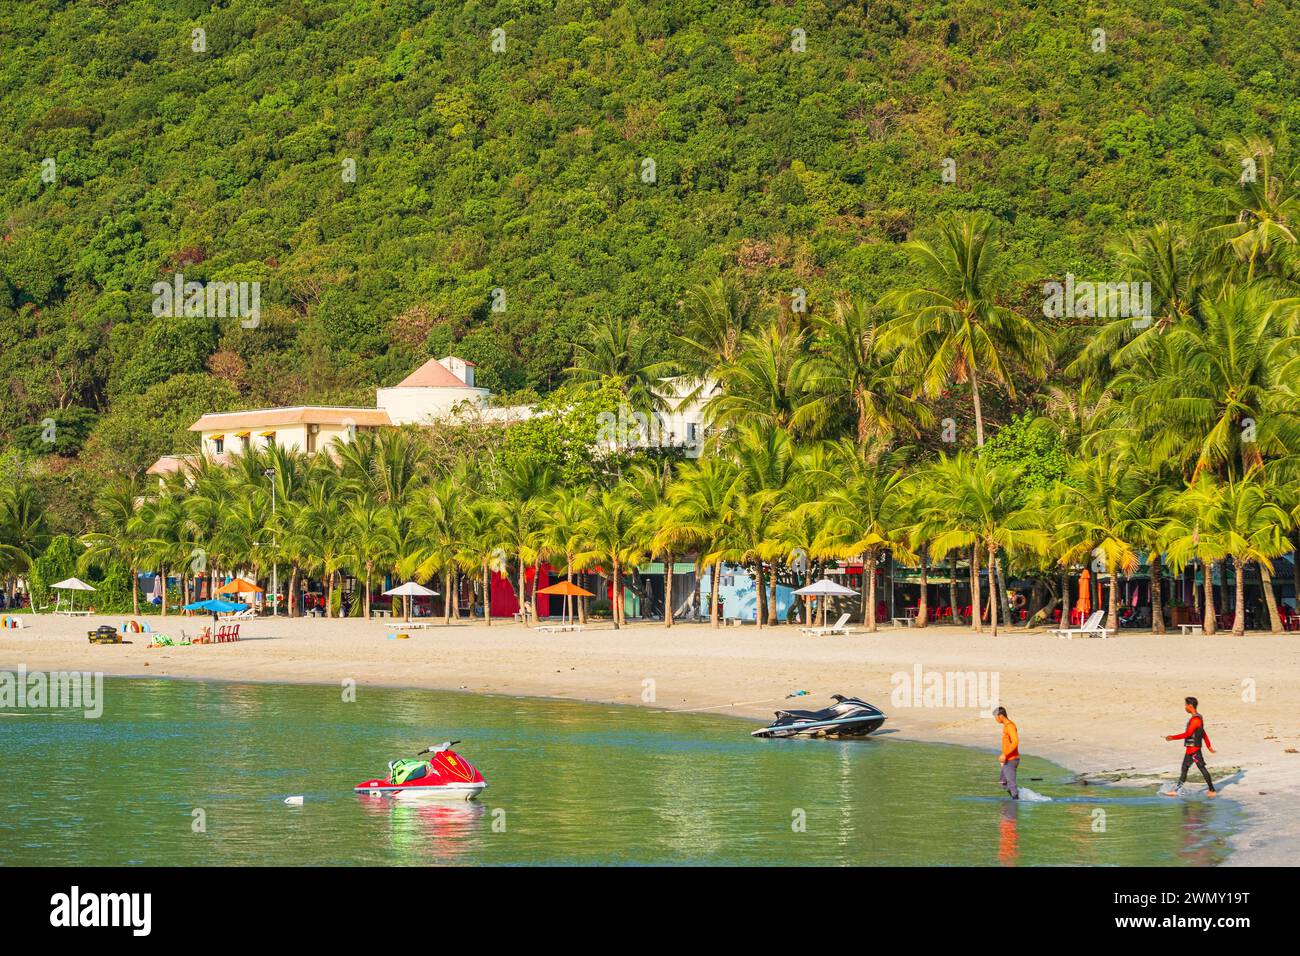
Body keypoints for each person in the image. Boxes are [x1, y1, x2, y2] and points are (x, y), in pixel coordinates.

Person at [1163, 696, 1217, 797]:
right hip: (1190, 748)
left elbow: (1188, 734)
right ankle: (1177, 790)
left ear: (1190, 706)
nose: (1185, 707)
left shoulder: (1196, 719)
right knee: (1185, 768)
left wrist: (1172, 737)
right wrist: (1208, 746)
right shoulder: (1196, 718)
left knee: (1201, 767)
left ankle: (1212, 790)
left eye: (1186, 705)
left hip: (1194, 749)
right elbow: (1203, 733)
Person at [994, 706, 1020, 800]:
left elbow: (1015, 741)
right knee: (1003, 782)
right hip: (1007, 759)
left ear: (1000, 716)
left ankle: (1016, 804)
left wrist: (1005, 754)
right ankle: (1019, 795)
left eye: (995, 717)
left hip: (1012, 759)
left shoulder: (1010, 726)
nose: (996, 720)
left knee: (1011, 784)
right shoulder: (1006, 726)